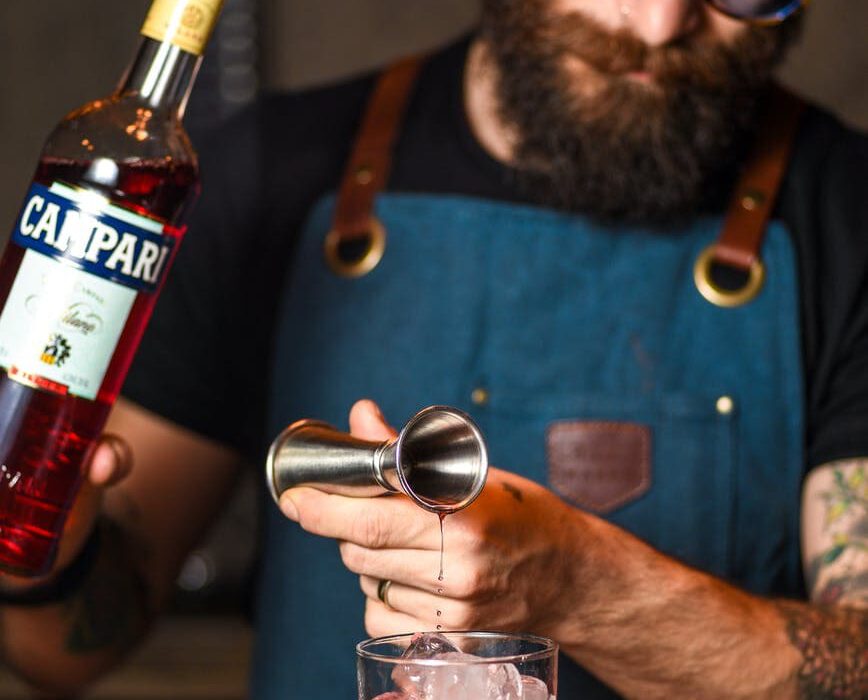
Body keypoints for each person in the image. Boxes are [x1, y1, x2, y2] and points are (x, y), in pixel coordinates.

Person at [1, 0, 866, 697]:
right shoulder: (274, 172)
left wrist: (583, 589)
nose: (661, 22)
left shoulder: (846, 211)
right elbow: (63, 652)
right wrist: (49, 549)